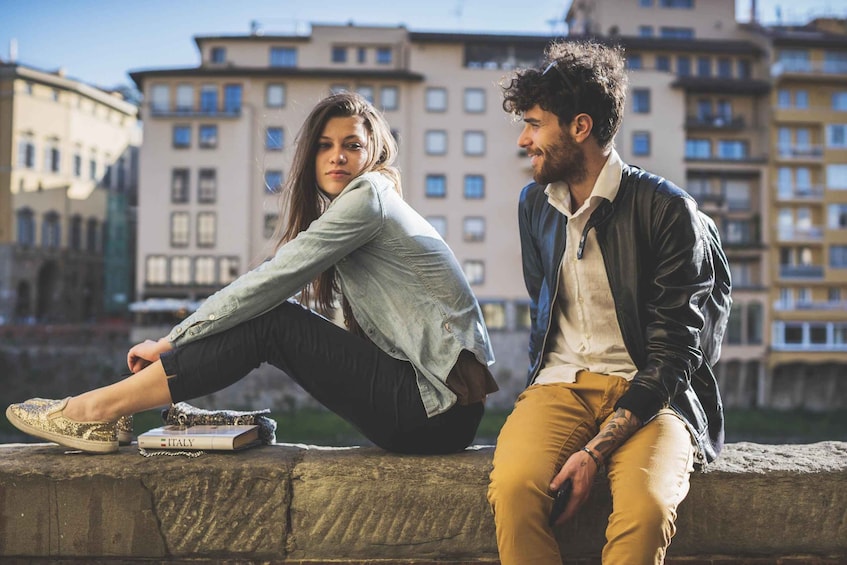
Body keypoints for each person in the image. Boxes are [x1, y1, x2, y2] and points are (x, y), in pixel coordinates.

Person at [7, 91, 497, 455]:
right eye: (325, 146)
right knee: (273, 320)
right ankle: (107, 410)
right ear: (310, 156)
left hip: (433, 409)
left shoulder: (369, 197)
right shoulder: (371, 204)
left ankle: (95, 410)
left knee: (271, 319)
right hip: (437, 410)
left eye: (351, 144)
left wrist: (177, 338)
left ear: (375, 151)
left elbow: (272, 279)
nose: (337, 156)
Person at [486, 41, 730, 564]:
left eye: (534, 124)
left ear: (580, 127)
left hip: (653, 393)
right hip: (559, 386)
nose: (525, 140)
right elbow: (543, 305)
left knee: (645, 508)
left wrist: (593, 453)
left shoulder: (667, 210)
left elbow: (675, 354)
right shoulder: (535, 204)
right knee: (513, 489)